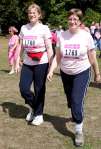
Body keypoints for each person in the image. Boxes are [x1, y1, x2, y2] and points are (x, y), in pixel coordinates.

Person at [47, 8, 101, 147]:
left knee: (77, 102)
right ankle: (75, 112)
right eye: (70, 19)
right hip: (65, 73)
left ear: (79, 21)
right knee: (70, 100)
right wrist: (52, 70)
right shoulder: (62, 36)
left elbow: (93, 58)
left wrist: (97, 73)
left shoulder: (86, 36)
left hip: (82, 72)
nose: (72, 21)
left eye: (75, 19)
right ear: (67, 20)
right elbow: (57, 57)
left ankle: (78, 131)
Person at [15, 3, 53, 125]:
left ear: (39, 15)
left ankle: (38, 115)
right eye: (30, 13)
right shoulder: (23, 28)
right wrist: (17, 61)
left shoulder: (44, 28)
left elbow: (49, 47)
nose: (31, 15)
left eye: (34, 13)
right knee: (24, 88)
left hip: (42, 62)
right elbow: (20, 46)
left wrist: (51, 66)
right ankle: (35, 108)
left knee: (39, 89)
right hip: (27, 62)